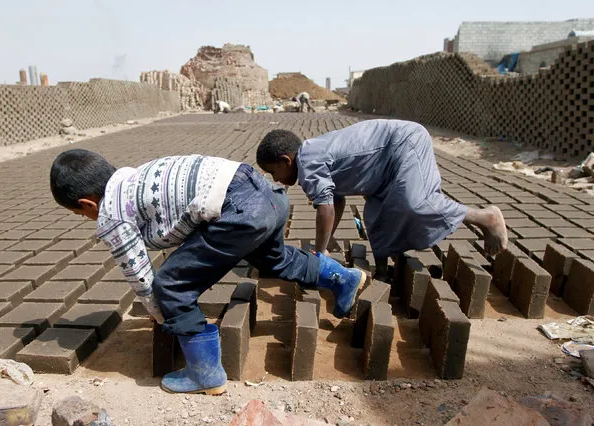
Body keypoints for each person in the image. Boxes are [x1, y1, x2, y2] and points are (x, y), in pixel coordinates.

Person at [50, 149, 365, 395]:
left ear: (87, 204)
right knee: (274, 259)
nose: (85, 218)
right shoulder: (131, 179)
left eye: (79, 214)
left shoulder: (111, 214)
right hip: (265, 195)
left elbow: (140, 276)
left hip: (239, 210)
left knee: (169, 285)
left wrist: (164, 316)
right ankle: (343, 279)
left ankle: (204, 373)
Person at [256, 119, 508, 274]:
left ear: (285, 160)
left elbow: (325, 209)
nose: (276, 180)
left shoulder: (308, 162)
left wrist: (321, 252)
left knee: (416, 204)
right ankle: (387, 272)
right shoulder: (310, 155)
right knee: (377, 217)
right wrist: (329, 238)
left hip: (403, 143)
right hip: (381, 170)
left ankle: (486, 218)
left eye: (273, 172)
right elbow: (337, 200)